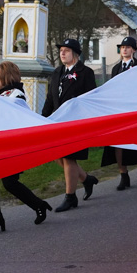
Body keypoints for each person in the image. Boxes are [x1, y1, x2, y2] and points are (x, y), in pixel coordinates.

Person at [0, 61, 53, 235]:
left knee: (9, 183)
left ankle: (38, 205)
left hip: (11, 148)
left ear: (5, 77)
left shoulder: (16, 95)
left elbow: (14, 117)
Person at [41, 39, 99, 212]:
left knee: (69, 157)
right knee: (56, 154)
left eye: (66, 50)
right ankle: (86, 179)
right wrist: (43, 118)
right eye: (61, 50)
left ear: (76, 53)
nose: (62, 53)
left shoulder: (85, 72)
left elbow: (90, 99)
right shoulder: (57, 72)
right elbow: (51, 98)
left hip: (76, 123)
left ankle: (70, 197)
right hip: (57, 122)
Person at [101, 36, 137, 189]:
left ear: (133, 50)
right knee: (118, 142)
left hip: (135, 109)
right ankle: (123, 175)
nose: (124, 49)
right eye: (122, 47)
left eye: (127, 47)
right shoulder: (116, 69)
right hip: (118, 110)